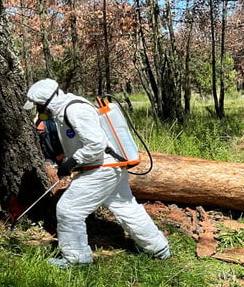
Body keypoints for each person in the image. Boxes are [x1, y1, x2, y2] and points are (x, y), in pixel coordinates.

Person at [23, 79, 170, 268]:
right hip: (108, 166)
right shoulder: (64, 109)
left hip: (102, 169)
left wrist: (72, 162)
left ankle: (76, 259)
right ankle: (158, 248)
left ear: (45, 102)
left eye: (38, 105)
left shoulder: (74, 110)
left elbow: (96, 144)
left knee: (69, 210)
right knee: (125, 206)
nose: (38, 110)